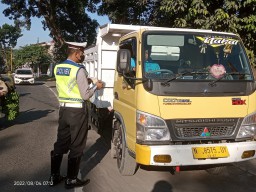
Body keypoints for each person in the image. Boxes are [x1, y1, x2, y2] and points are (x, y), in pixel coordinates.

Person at [49, 41, 103, 189]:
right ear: (76, 52)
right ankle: (71, 179)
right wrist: (95, 87)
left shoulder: (58, 67)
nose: (83, 55)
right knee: (77, 144)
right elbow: (85, 95)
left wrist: (87, 80)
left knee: (61, 142)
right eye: (82, 52)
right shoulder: (79, 69)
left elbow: (69, 83)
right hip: (77, 112)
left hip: (64, 111)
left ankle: (54, 177)